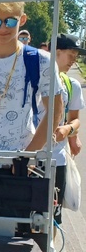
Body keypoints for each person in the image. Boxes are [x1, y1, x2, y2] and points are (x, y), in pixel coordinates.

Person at [0, 0, 63, 152]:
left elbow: (55, 110)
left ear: (22, 19)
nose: (3, 28)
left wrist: (29, 156)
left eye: (10, 21)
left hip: (23, 161)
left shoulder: (42, 60)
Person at [50, 33, 85, 223]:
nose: (74, 60)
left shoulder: (72, 85)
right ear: (57, 52)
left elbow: (75, 120)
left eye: (76, 56)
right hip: (31, 159)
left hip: (58, 160)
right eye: (71, 55)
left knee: (54, 216)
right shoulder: (33, 79)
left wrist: (69, 132)